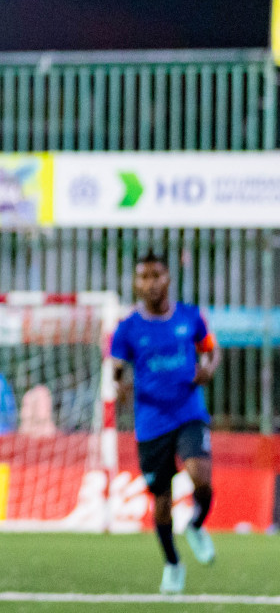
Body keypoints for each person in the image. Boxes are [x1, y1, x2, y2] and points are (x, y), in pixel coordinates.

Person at [110, 251, 220, 594]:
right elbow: (116, 367)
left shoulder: (190, 317)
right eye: (143, 277)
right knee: (160, 502)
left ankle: (197, 524)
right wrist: (120, 385)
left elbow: (212, 349)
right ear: (134, 283)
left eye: (156, 275)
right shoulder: (128, 328)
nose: (150, 283)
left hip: (189, 412)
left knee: (200, 477)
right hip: (151, 422)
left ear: (168, 279)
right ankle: (173, 564)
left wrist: (209, 369)